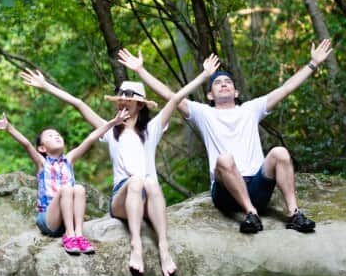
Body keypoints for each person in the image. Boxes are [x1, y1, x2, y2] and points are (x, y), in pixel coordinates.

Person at [21, 54, 219, 276]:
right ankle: (136, 246)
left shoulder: (151, 130)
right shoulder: (110, 131)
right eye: (120, 98)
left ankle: (164, 249)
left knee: (151, 183)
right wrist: (46, 86)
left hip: (147, 195)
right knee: (136, 181)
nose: (122, 100)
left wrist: (204, 75)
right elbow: (78, 104)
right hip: (121, 199)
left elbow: (175, 99)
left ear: (139, 105)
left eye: (129, 98)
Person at [117, 40, 333, 234]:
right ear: (210, 95)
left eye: (227, 82)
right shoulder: (203, 113)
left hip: (257, 185)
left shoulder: (251, 109)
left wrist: (313, 64)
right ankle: (251, 213)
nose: (223, 84)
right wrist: (140, 70)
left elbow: (286, 89)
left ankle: (293, 213)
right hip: (225, 192)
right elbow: (170, 96)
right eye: (217, 83)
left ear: (236, 92)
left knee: (280, 153)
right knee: (225, 159)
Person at [0, 108, 128, 255]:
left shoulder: (69, 159)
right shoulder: (42, 162)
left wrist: (114, 122)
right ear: (42, 148)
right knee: (67, 189)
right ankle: (69, 235)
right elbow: (27, 144)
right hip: (49, 219)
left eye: (58, 135)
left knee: (79, 188)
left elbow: (91, 138)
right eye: (50, 136)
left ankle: (78, 235)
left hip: (69, 217)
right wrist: (9, 128)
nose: (56, 136)